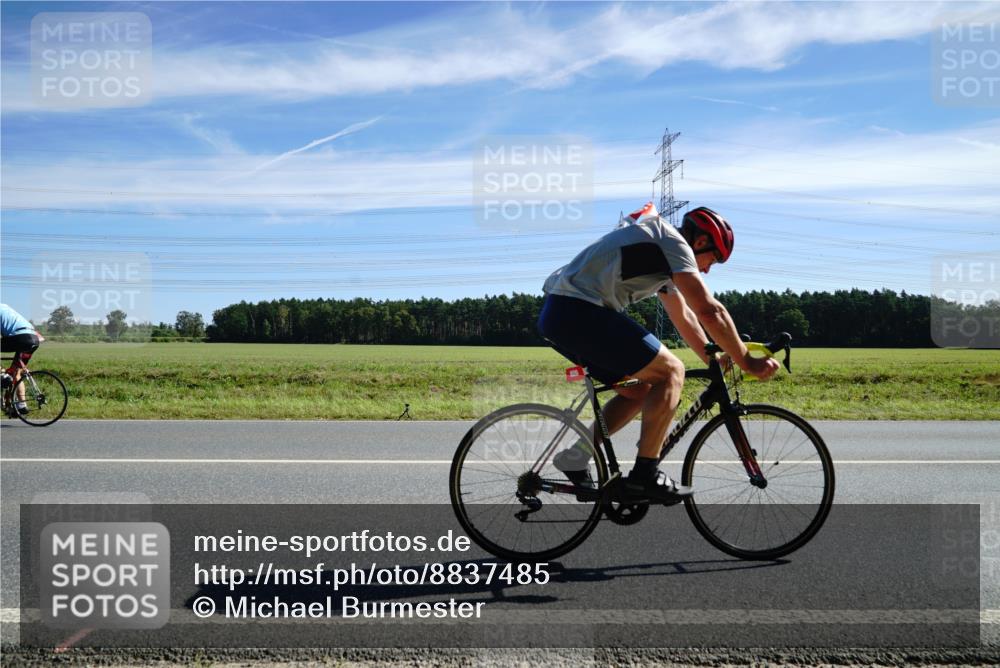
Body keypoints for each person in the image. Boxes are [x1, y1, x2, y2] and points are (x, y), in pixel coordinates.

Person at [537, 203, 779, 501]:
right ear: (700, 242)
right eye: (711, 261)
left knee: (638, 390)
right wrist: (746, 360)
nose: (705, 270)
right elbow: (709, 310)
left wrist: (713, 359)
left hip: (564, 316)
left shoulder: (664, 259)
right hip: (578, 312)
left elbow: (685, 317)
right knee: (671, 371)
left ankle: (576, 457)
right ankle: (645, 476)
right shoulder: (673, 243)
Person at [1, 304, 43, 414]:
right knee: (16, 372)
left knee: (9, 375)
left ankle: (3, 376)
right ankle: (21, 406)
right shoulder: (5, 307)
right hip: (33, 338)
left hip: (20, 338)